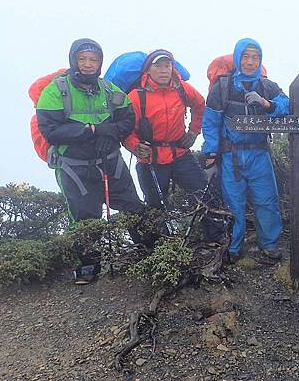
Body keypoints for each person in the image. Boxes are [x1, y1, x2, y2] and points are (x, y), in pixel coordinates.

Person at [36, 38, 145, 284]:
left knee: (132, 205)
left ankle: (148, 249)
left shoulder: (109, 89)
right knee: (85, 216)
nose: (88, 64)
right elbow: (50, 130)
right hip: (75, 166)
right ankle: (88, 266)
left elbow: (128, 118)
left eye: (93, 60)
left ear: (100, 63)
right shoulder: (56, 91)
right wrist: (93, 131)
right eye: (82, 59)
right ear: (73, 60)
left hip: (110, 160)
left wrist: (112, 133)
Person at [201, 38, 289, 263]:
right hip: (231, 156)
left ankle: (269, 244)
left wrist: (267, 104)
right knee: (233, 204)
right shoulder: (223, 86)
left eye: (255, 57)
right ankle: (233, 247)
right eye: (246, 57)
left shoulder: (267, 86)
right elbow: (211, 123)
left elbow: (288, 106)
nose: (250, 62)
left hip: (260, 154)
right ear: (238, 58)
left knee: (267, 200)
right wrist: (210, 157)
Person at [124, 50, 225, 243]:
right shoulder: (136, 97)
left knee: (202, 192)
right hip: (151, 158)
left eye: (167, 66)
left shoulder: (182, 88)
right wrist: (135, 146)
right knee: (155, 206)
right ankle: (162, 246)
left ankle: (217, 237)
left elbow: (200, 105)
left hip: (179, 153)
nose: (163, 71)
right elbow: (126, 128)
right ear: (148, 69)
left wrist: (194, 131)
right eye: (158, 66)